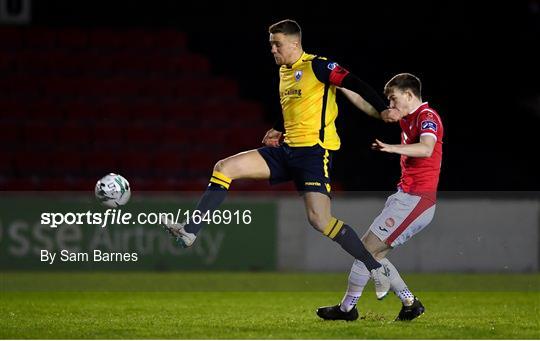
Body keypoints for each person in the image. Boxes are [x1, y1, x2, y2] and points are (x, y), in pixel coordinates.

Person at [160, 19, 400, 280]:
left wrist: (382, 108)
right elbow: (294, 107)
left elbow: (354, 82)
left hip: (312, 154)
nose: (273, 49)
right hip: (286, 151)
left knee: (320, 220)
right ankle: (191, 231)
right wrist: (278, 127)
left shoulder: (318, 66)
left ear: (295, 43)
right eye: (271, 44)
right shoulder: (285, 71)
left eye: (277, 44)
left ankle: (375, 268)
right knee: (223, 167)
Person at [316, 73, 444, 322]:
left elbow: (427, 148)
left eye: (393, 99)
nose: (391, 105)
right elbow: (372, 108)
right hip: (405, 197)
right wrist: (341, 87)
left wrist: (391, 147)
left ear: (409, 94)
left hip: (417, 201)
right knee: (373, 255)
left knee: (365, 250)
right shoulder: (408, 117)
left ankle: (347, 309)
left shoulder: (428, 117)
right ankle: (410, 303)